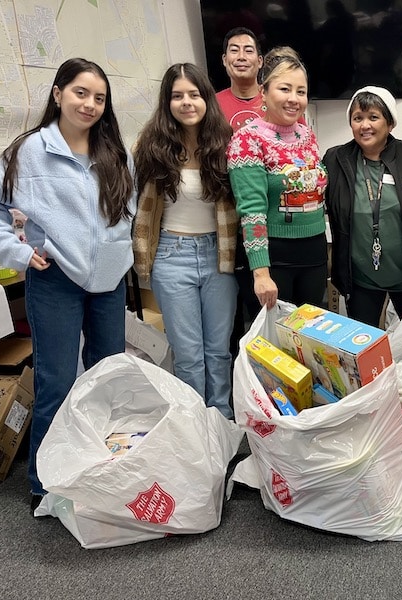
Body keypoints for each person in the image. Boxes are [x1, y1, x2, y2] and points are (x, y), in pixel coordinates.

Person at [0, 58, 136, 512]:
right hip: (53, 279)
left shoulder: (115, 152)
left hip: (108, 282)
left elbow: (128, 208)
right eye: (81, 93)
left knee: (106, 379)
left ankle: (102, 464)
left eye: (99, 98)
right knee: (57, 381)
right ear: (58, 93)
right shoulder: (27, 152)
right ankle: (44, 481)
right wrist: (19, 253)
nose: (90, 104)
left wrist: (122, 254)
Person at [133, 63, 238, 419]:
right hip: (171, 256)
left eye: (194, 94)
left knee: (219, 350)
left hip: (218, 256)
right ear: (167, 102)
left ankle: (221, 421)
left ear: (206, 98)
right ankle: (194, 425)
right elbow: (140, 210)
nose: (186, 102)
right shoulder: (151, 148)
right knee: (189, 353)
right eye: (177, 96)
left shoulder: (227, 145)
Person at [323, 86, 402, 327]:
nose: (365, 125)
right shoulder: (336, 159)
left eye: (373, 117)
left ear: (390, 123)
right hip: (361, 280)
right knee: (363, 349)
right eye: (358, 118)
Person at [227, 50, 327, 310]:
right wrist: (260, 273)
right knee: (274, 345)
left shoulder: (307, 134)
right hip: (275, 258)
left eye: (301, 91)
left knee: (309, 339)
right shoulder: (247, 139)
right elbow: (251, 210)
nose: (294, 99)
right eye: (285, 89)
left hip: (314, 254)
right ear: (264, 92)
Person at [216, 27, 264, 353]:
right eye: (234, 50)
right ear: (224, 60)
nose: (241, 56)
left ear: (260, 61)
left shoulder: (276, 99)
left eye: (248, 50)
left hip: (265, 217)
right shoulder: (212, 104)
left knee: (263, 308)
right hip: (224, 218)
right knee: (229, 312)